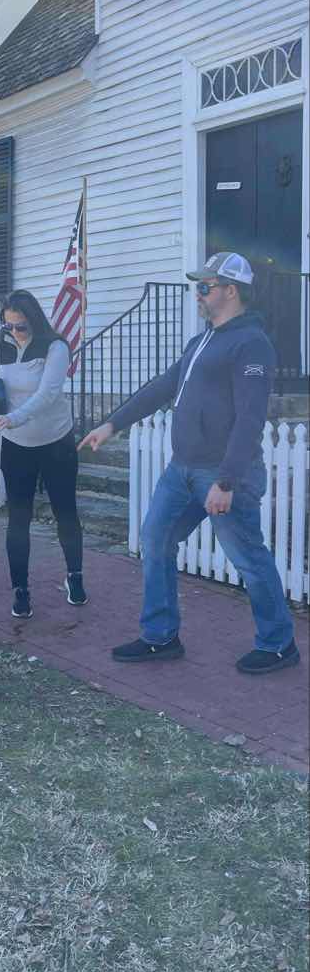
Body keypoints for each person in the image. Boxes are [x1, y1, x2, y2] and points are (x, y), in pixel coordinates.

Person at [79, 252, 300, 675]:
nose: (197, 294)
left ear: (231, 291)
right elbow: (163, 386)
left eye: (204, 287)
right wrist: (112, 424)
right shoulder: (200, 342)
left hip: (222, 474)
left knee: (248, 558)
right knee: (155, 540)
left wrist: (227, 480)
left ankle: (278, 644)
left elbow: (250, 418)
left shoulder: (251, 343)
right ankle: (160, 637)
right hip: (181, 470)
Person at [0, 289, 87, 619]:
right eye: (8, 326)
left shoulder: (55, 347)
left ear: (34, 321)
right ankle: (21, 590)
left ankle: (75, 577)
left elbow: (48, 394)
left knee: (65, 512)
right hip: (16, 446)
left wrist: (14, 418)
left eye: (21, 326)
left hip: (56, 442)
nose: (15, 332)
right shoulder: (2, 347)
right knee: (18, 518)